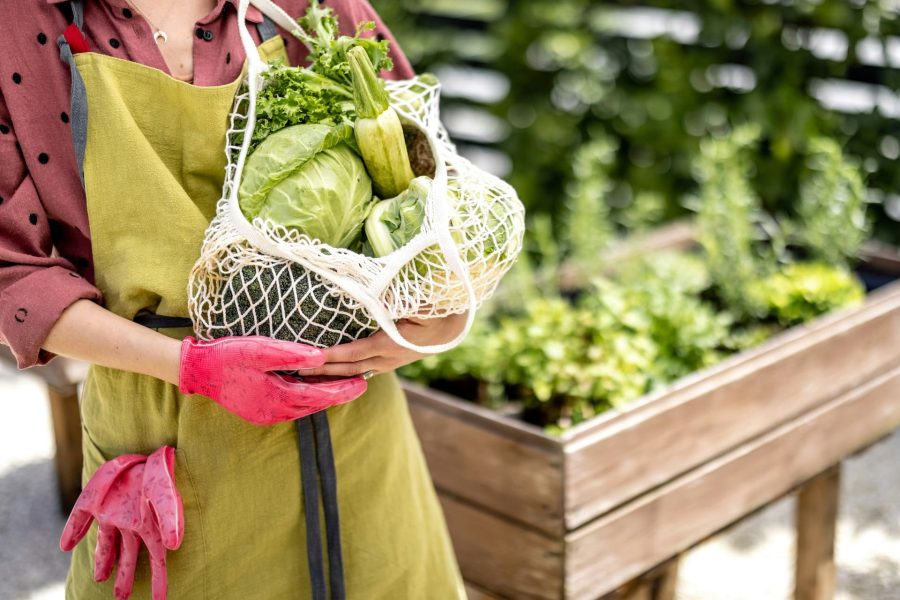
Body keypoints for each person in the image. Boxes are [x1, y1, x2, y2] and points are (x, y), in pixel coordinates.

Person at [0, 1, 468, 598]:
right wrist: (190, 365)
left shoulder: (307, 7)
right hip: (165, 445)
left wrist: (440, 315)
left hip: (355, 426)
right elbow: (14, 272)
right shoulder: (15, 25)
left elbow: (436, 180)